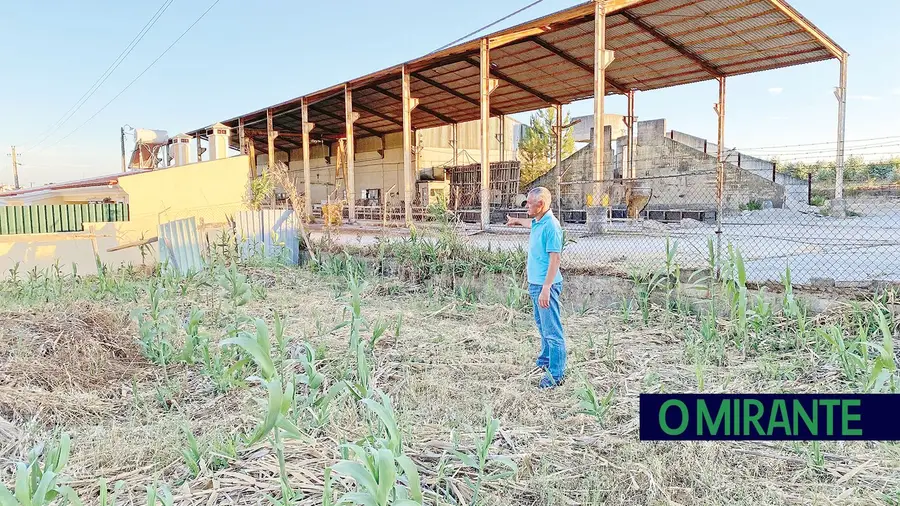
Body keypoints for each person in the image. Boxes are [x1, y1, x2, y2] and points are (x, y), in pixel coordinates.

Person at [506, 187, 566, 389]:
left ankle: (555, 375)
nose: (527, 207)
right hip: (536, 285)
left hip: (545, 286)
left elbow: (555, 259)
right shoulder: (539, 221)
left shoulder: (551, 226)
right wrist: (515, 220)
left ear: (540, 205)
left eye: (530, 204)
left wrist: (547, 288)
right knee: (542, 326)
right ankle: (545, 361)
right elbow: (530, 222)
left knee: (552, 331)